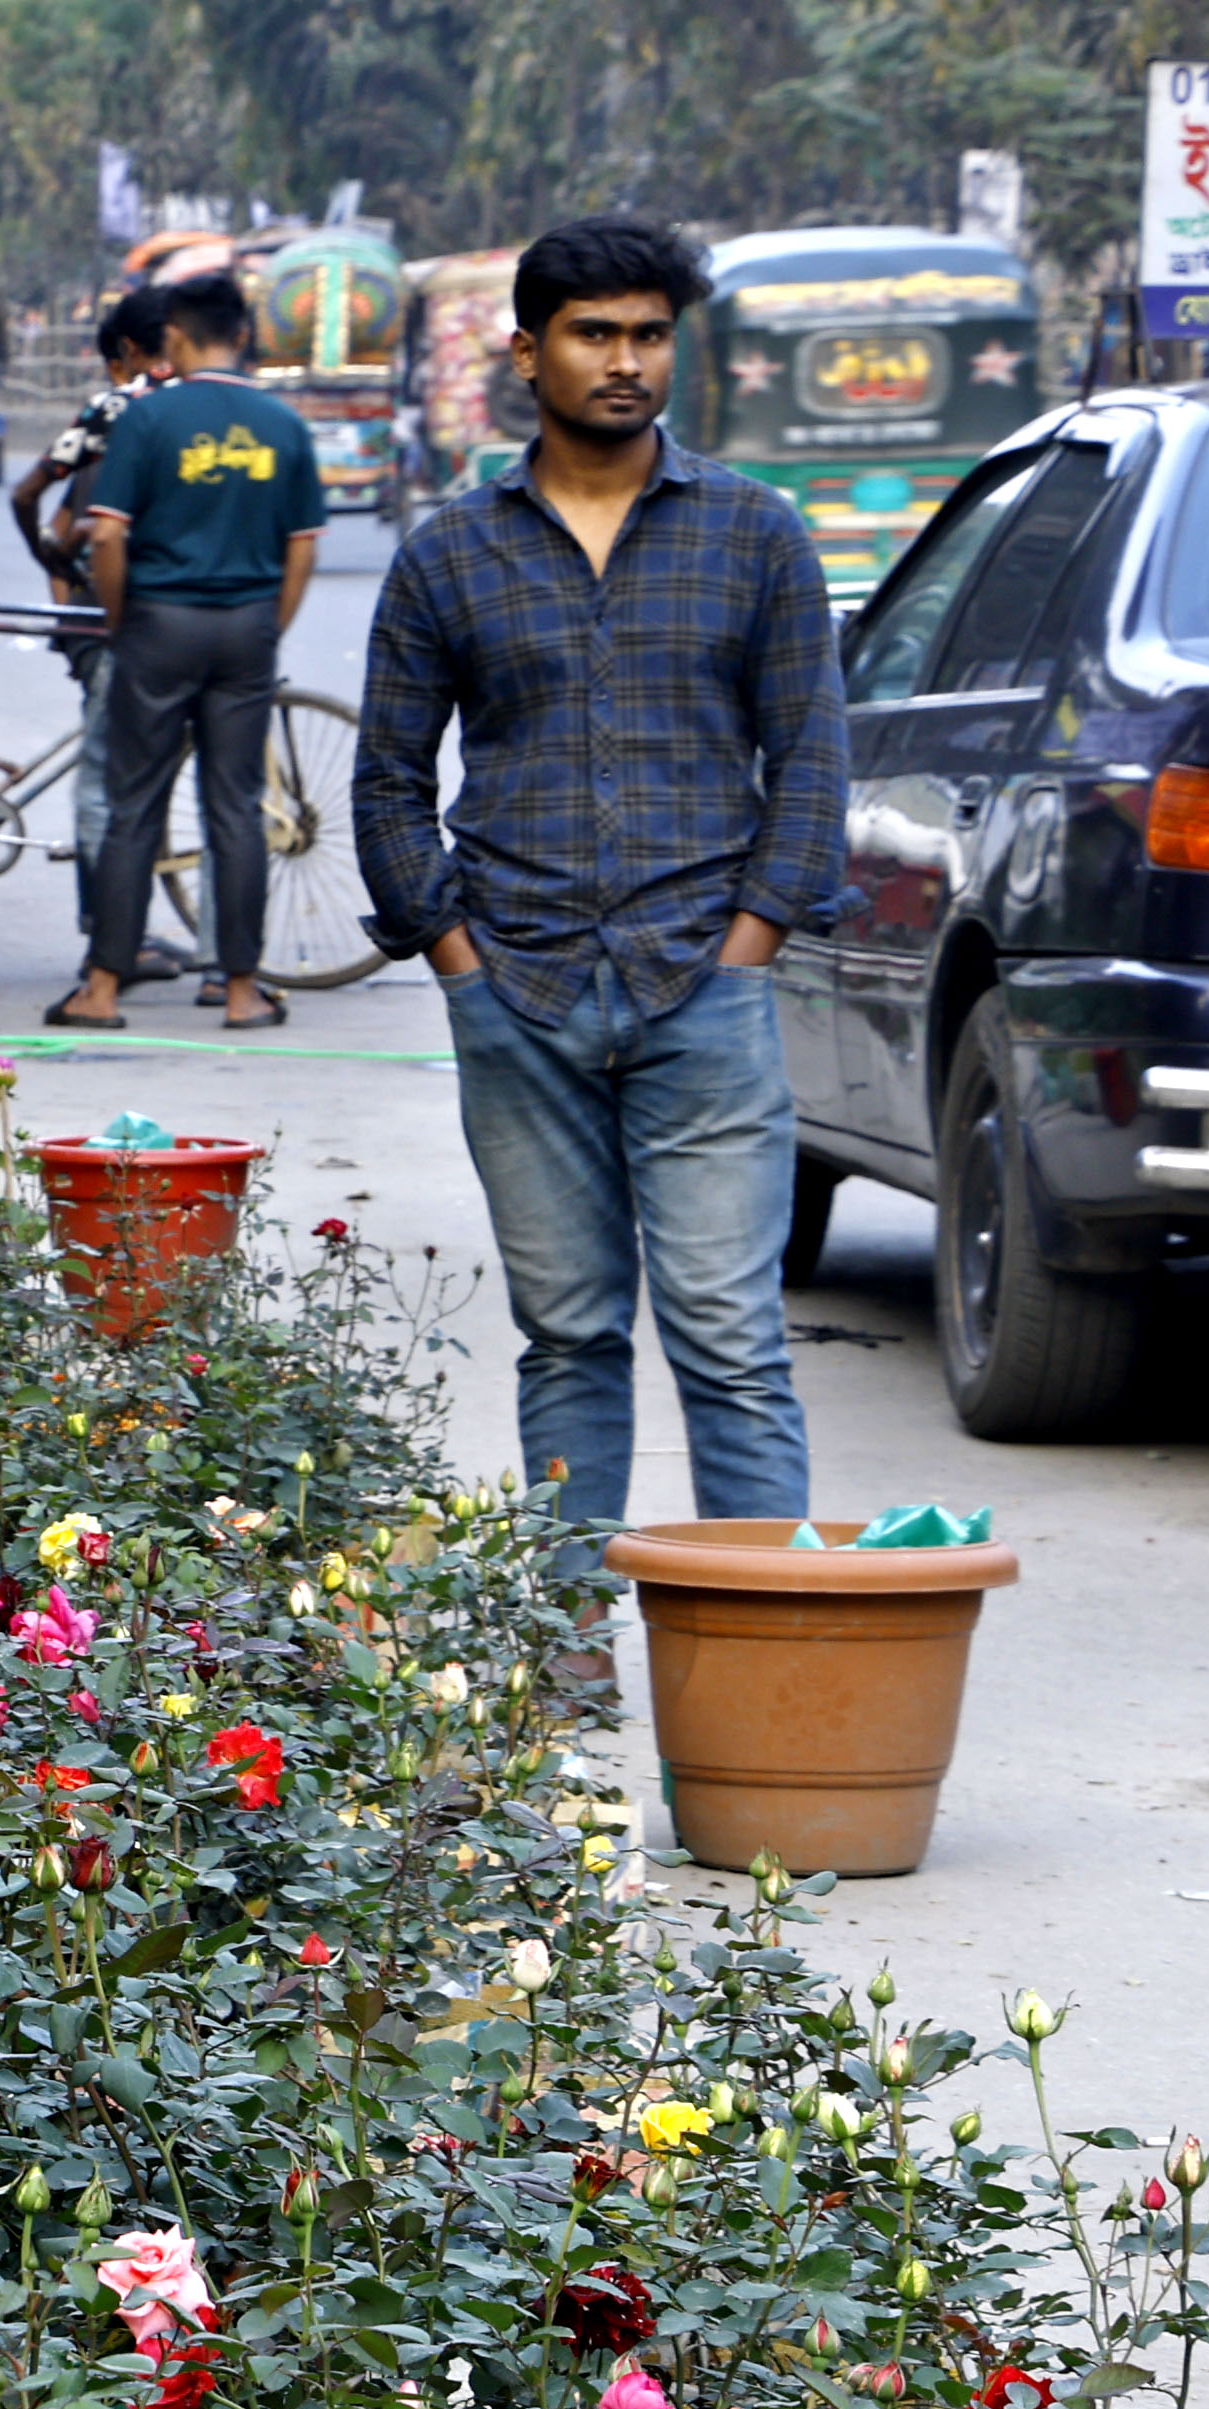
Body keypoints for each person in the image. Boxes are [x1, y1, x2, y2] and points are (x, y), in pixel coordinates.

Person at [350, 213, 839, 1553]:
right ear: (529, 353)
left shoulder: (754, 534)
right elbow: (387, 782)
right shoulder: (450, 553)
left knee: (732, 1339)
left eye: (650, 335)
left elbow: (811, 763)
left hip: (705, 989)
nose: (626, 361)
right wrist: (459, 962)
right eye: (594, 334)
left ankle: (764, 1647)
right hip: (520, 991)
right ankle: (559, 1644)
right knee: (568, 1334)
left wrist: (748, 948)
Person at [52, 268, 320, 1031]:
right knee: (234, 807)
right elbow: (303, 545)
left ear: (172, 337)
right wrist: (270, 625)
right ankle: (240, 992)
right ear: (243, 335)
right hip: (247, 628)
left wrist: (120, 619)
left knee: (134, 804)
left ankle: (102, 990)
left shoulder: (149, 419)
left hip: (159, 625)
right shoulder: (283, 425)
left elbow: (107, 534)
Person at [13, 293, 174, 975]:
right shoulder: (140, 413)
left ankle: (118, 929)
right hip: (127, 622)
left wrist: (61, 579)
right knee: (110, 777)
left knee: (115, 774)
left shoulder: (115, 417)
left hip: (101, 619)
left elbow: (45, 513)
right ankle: (111, 937)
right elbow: (79, 524)